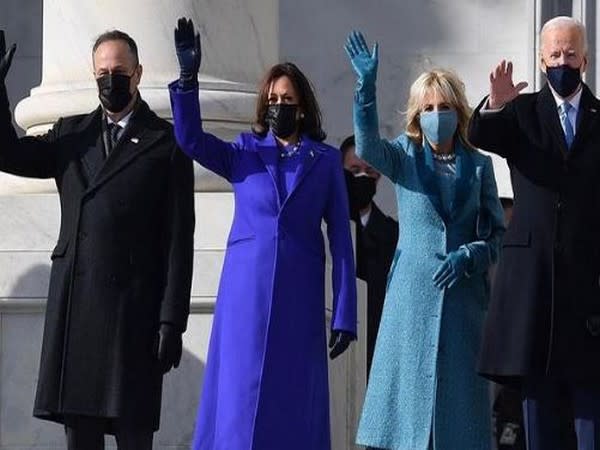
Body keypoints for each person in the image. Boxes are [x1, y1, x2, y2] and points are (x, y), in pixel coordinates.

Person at [0, 30, 195, 450]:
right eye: (103, 72)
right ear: (93, 74)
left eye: (119, 72)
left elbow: (180, 241)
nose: (111, 80)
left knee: (133, 437)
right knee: (82, 440)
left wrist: (171, 321)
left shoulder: (166, 143)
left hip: (135, 318)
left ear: (138, 73)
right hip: (80, 312)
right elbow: (8, 154)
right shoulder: (72, 135)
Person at [168, 19, 357, 450]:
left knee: (293, 399)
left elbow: (342, 243)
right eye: (272, 99)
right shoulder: (243, 152)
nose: (278, 106)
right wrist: (186, 81)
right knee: (239, 398)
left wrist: (345, 313)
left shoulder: (325, 161)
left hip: (300, 295)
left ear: (303, 107)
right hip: (244, 294)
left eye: (287, 99)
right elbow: (191, 140)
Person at [344, 30, 505, 450]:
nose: (437, 114)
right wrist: (366, 89)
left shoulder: (479, 166)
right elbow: (367, 146)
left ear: (459, 112)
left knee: (457, 422)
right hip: (411, 301)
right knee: (407, 421)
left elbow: (496, 234)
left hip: (462, 304)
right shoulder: (405, 155)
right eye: (429, 108)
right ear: (418, 115)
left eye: (445, 106)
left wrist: (470, 255)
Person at [469, 15, 600, 450]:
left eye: (570, 53)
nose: (563, 60)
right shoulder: (522, 113)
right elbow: (481, 133)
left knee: (590, 423)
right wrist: (495, 104)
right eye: (554, 53)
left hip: (587, 290)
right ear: (542, 60)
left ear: (585, 58)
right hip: (533, 289)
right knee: (538, 420)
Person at [341, 135, 398, 374]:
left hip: (377, 344)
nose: (362, 177)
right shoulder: (325, 226)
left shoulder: (393, 234)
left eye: (369, 171)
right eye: (354, 170)